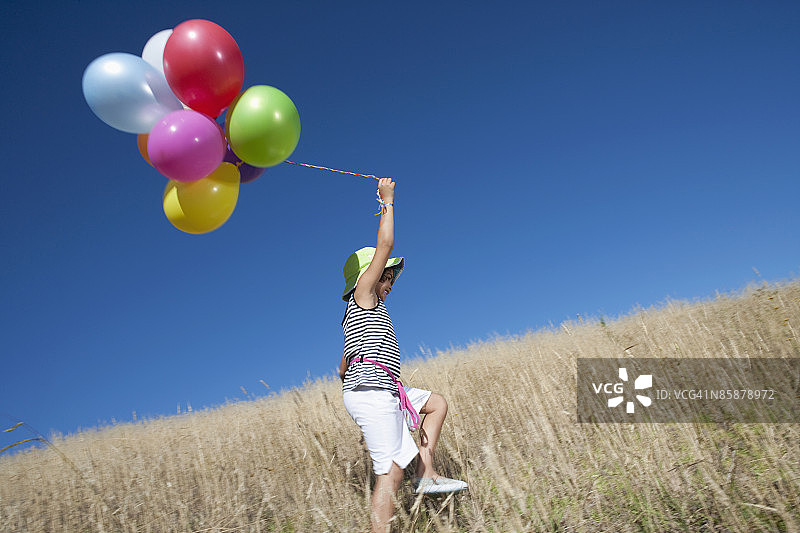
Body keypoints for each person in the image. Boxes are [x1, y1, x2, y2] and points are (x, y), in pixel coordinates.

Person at [339, 177, 467, 533]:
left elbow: (344, 364)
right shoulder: (362, 296)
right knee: (390, 473)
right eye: (386, 275)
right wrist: (388, 201)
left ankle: (426, 472)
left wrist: (348, 371)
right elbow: (386, 243)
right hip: (373, 393)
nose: (390, 282)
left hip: (383, 389)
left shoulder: (369, 311)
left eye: (391, 276)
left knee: (437, 403)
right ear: (367, 276)